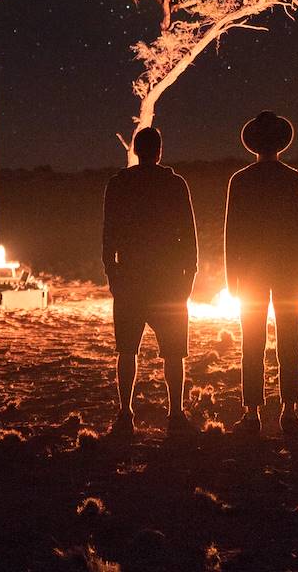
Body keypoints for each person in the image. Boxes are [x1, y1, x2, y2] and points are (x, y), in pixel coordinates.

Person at [223, 111, 298, 436]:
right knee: (290, 340)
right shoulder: (295, 179)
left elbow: (231, 233)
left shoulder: (241, 180)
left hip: (250, 274)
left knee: (252, 341)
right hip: (288, 271)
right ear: (280, 144)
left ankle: (251, 413)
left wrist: (231, 276)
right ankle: (289, 411)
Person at [102, 126, 198, 437]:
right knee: (174, 352)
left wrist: (113, 274)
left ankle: (125, 413)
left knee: (127, 350)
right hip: (168, 282)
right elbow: (189, 236)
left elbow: (108, 235)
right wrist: (189, 278)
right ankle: (176, 414)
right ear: (159, 151)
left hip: (130, 279)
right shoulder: (175, 184)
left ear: (135, 150)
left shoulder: (118, 184)